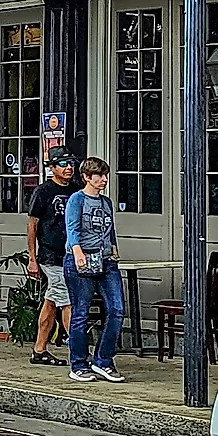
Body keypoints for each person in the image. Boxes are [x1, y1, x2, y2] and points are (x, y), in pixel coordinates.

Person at [63, 155, 124, 383]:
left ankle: (103, 360)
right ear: (87, 177)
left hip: (106, 259)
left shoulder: (106, 202)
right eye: (98, 176)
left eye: (105, 175)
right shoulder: (77, 199)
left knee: (117, 309)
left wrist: (115, 248)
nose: (104, 180)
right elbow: (72, 227)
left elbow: (110, 228)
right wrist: (78, 252)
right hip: (82, 257)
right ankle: (78, 363)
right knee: (81, 312)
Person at [26, 154, 78, 367]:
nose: (68, 168)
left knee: (51, 302)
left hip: (71, 254)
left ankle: (39, 349)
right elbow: (32, 226)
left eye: (71, 164)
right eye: (63, 164)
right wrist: (32, 257)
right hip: (50, 255)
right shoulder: (43, 191)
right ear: (53, 168)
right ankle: (78, 350)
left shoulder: (75, 190)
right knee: (67, 301)